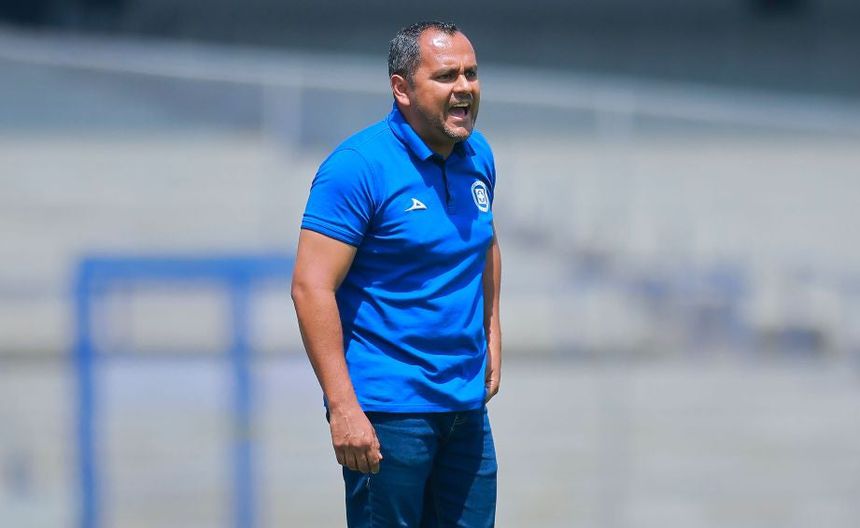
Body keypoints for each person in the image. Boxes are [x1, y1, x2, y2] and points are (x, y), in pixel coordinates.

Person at [291, 20, 502, 527]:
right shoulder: (358, 166)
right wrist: (343, 406)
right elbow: (310, 286)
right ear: (401, 89)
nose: (464, 88)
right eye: (447, 76)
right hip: (388, 413)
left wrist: (493, 330)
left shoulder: (479, 155)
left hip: (465, 407)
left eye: (471, 74)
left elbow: (485, 242)